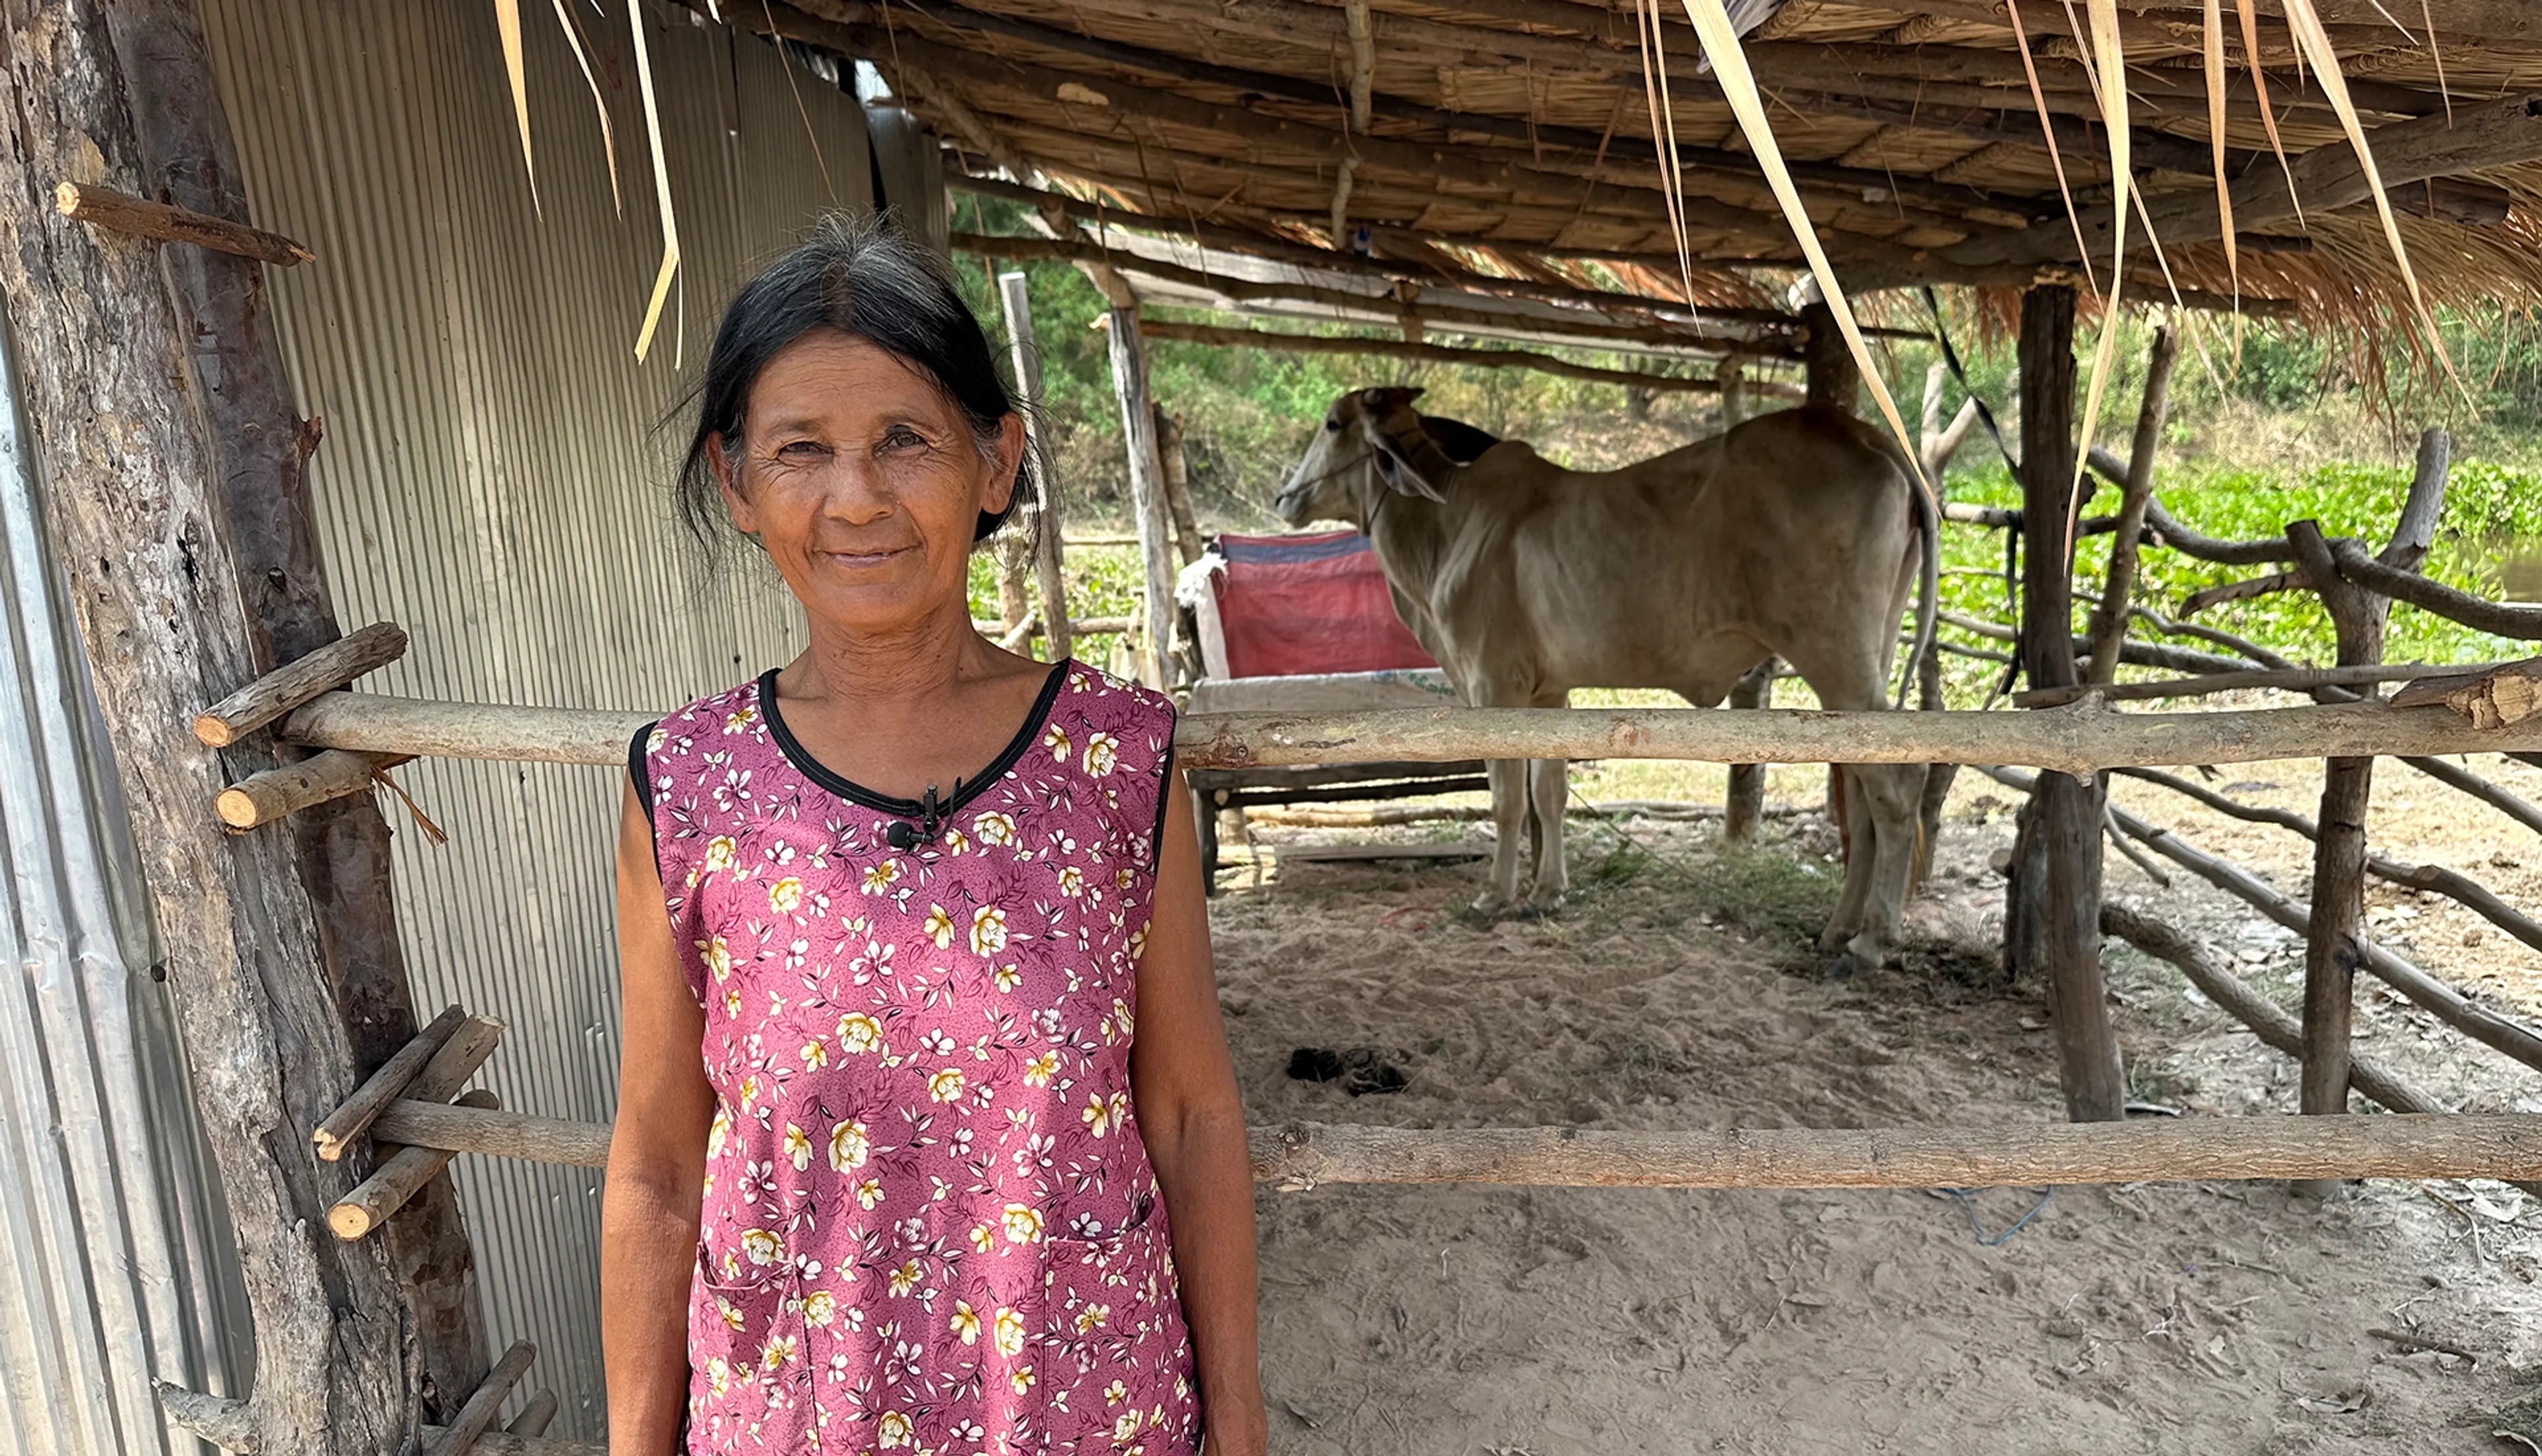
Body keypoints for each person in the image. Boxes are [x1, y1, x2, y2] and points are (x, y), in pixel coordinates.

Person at [601, 214, 1266, 1456]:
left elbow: (1188, 1115)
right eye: (802, 449)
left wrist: (1239, 1426)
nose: (856, 498)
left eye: (905, 440)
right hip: (800, 1419)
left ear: (996, 463)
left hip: (1085, 1416)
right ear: (739, 484)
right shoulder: (690, 790)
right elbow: (656, 1162)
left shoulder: (1116, 765)